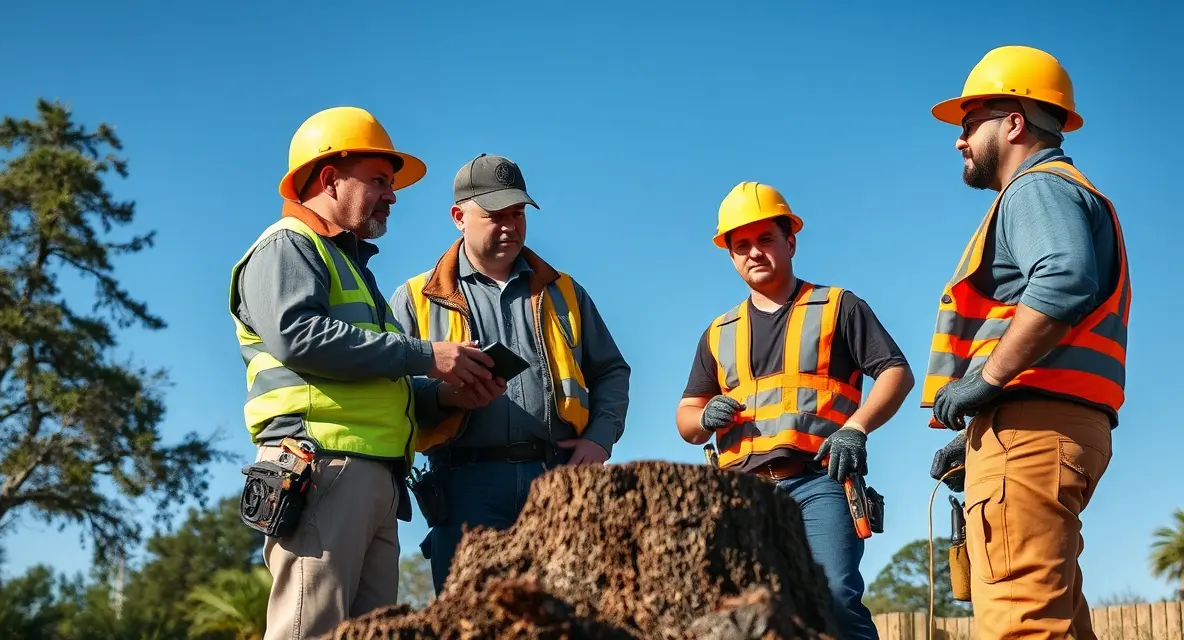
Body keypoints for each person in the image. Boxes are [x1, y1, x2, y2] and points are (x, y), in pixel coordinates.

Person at [228, 107, 504, 640]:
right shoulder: (286, 245)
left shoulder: (349, 265)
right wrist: (429, 355)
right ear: (329, 178)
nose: (392, 195)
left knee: (368, 634)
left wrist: (449, 397)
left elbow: (381, 379)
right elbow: (299, 338)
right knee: (309, 631)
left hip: (369, 477)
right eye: (379, 180)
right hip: (321, 467)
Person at [923, 45, 1130, 640]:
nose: (960, 141)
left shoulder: (1036, 189)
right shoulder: (1065, 192)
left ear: (1014, 121)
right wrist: (976, 436)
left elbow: (1065, 278)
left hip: (1031, 434)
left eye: (969, 124)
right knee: (1057, 626)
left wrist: (985, 384)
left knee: (1021, 629)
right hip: (1050, 430)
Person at [675, 181, 913, 640]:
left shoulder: (837, 307)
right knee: (747, 615)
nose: (754, 252)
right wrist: (703, 418)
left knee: (834, 600)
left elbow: (896, 373)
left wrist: (856, 428)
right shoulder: (719, 332)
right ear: (729, 255)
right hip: (743, 494)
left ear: (791, 242)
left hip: (819, 483)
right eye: (740, 245)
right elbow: (687, 416)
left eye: (765, 239)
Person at [389, 153, 631, 593]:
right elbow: (392, 395)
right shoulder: (413, 298)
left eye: (517, 213)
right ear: (458, 217)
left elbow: (612, 371)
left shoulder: (565, 291)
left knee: (569, 617)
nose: (510, 226)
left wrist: (600, 439)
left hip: (559, 480)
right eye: (494, 215)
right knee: (473, 620)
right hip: (464, 486)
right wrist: (443, 398)